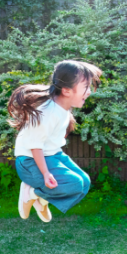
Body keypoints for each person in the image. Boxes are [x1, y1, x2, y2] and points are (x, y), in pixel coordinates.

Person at [10, 60, 102, 222]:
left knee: (84, 184)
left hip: (52, 155)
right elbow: (35, 146)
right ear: (66, 90)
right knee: (73, 185)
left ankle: (42, 201)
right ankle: (30, 193)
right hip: (30, 161)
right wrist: (46, 173)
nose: (89, 92)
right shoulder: (47, 111)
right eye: (85, 87)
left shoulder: (62, 107)